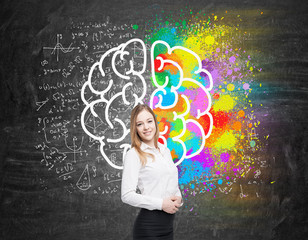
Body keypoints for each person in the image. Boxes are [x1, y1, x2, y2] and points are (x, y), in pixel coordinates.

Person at [121, 104, 183, 239]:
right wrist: (161, 204)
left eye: (149, 121)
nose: (146, 127)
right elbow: (126, 195)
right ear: (135, 128)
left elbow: (170, 181)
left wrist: (178, 197)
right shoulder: (134, 154)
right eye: (140, 124)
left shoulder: (164, 150)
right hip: (149, 228)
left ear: (155, 122)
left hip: (168, 227)